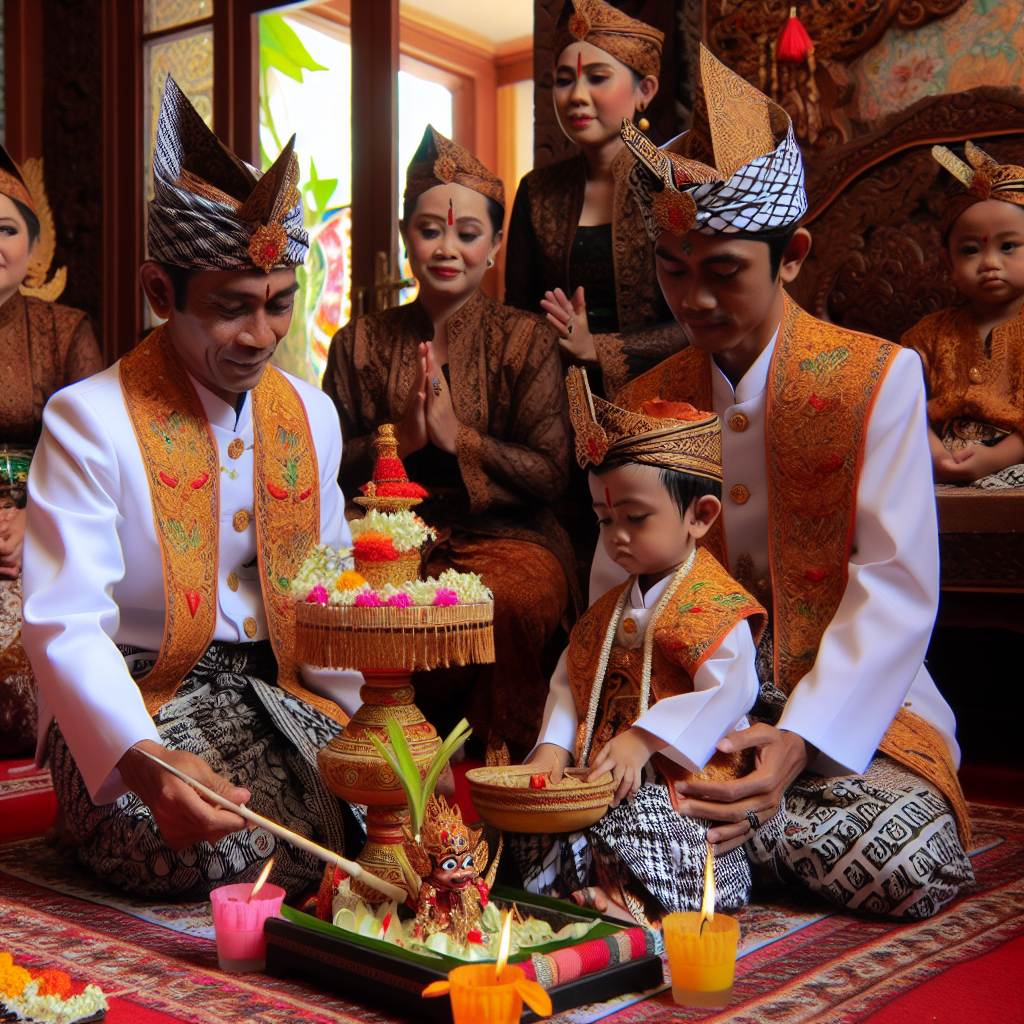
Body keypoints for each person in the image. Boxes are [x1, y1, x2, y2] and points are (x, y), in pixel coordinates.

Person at [543, 44, 973, 921]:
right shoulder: (647, 401)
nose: (693, 301)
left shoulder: (876, 378)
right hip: (684, 697)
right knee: (575, 806)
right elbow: (620, 585)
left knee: (913, 855)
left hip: (845, 705)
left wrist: (798, 743)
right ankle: (702, 839)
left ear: (792, 254)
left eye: (722, 270)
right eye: (673, 270)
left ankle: (689, 847)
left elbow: (893, 584)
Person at [21, 78, 365, 898]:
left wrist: (374, 726)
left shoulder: (311, 415)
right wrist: (141, 761)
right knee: (210, 847)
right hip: (137, 694)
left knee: (386, 818)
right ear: (157, 292)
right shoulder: (88, 418)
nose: (262, 335)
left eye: (280, 305)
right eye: (231, 308)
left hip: (277, 686)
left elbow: (334, 586)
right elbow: (64, 622)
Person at [323, 126, 578, 760]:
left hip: (508, 535)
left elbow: (552, 474)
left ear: (494, 246)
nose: (448, 248)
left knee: (512, 601)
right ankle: (373, 755)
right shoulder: (356, 342)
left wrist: (458, 438)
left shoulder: (528, 340)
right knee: (332, 597)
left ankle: (495, 766)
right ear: (407, 236)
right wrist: (402, 440)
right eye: (430, 230)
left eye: (468, 234)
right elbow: (323, 469)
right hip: (383, 537)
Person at [513, 368, 765, 925]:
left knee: (647, 823)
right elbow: (568, 680)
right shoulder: (606, 609)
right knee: (530, 822)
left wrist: (645, 740)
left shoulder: (714, 603)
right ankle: (581, 889)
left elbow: (732, 688)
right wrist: (554, 746)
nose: (616, 537)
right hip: (604, 779)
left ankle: (624, 898)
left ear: (700, 516)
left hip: (684, 789)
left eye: (636, 517)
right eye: (605, 520)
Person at [504, 0, 685, 401]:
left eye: (598, 78)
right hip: (555, 404)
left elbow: (704, 319)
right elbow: (517, 312)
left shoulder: (679, 186)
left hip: (664, 405)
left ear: (645, 91)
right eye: (565, 80)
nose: (577, 96)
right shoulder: (538, 192)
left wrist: (597, 348)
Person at [0, 146, 103, 755]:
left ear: (33, 246)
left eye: (6, 228)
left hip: (43, 534)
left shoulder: (66, 331)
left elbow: (93, 460)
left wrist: (33, 522)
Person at [901, 142, 1024, 489]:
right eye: (971, 250)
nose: (990, 263)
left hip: (1016, 461)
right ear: (948, 264)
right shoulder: (928, 335)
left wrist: (997, 459)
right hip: (937, 459)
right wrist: (933, 452)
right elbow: (900, 401)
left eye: (1008, 246)